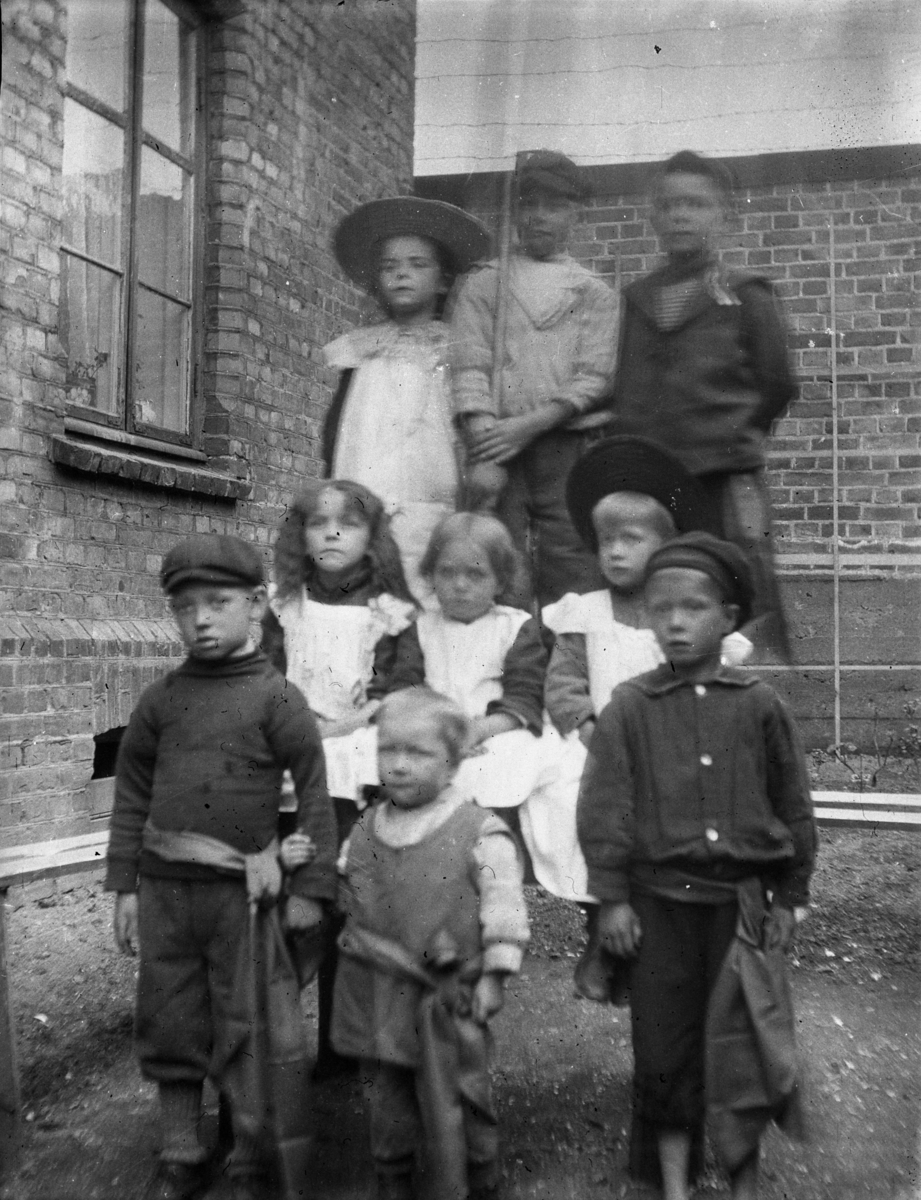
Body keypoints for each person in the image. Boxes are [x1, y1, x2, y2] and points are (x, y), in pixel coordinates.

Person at [577, 532, 817, 1200]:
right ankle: (674, 1186)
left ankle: (743, 1180)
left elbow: (792, 804)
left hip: (740, 909)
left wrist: (789, 897)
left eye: (692, 608)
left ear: (728, 619)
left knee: (743, 1048)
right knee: (663, 1051)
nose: (675, 622)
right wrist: (613, 901)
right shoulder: (630, 705)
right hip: (658, 909)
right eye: (660, 610)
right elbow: (603, 809)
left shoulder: (759, 704)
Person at [105, 535, 336, 1200]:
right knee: (170, 1014)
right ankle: (180, 1149)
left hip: (244, 897)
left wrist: (311, 890)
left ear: (256, 604)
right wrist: (122, 885)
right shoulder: (159, 702)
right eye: (184, 607)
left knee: (247, 1022)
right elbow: (131, 797)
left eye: (217, 602)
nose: (200, 619)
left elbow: (315, 799)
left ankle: (247, 1155)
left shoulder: (277, 699)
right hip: (168, 895)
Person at [532, 435, 751, 1002]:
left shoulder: (674, 612)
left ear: (666, 542)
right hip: (597, 739)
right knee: (572, 801)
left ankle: (654, 942)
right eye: (607, 540)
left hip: (669, 740)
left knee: (672, 804)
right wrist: (586, 725)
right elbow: (563, 682)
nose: (616, 552)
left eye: (632, 539)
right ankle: (599, 924)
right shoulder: (584, 611)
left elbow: (709, 677)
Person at [329, 688, 529, 1200]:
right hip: (379, 992)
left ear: (454, 762)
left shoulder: (479, 831)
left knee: (464, 1094)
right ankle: (392, 1180)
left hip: (449, 996)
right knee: (386, 1100)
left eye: (417, 753)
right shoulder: (366, 825)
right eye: (388, 750)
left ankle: (478, 1179)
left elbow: (503, 905)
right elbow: (348, 889)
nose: (398, 766)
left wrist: (494, 976)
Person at [262, 479, 424, 1079]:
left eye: (348, 524)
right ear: (300, 538)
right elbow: (271, 674)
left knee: (346, 895)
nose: (331, 533)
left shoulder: (387, 612)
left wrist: (350, 721)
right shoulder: (288, 608)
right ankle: (276, 1034)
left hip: (357, 747)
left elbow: (399, 683)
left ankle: (342, 1043)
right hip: (295, 744)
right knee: (300, 891)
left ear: (372, 539)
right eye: (318, 523)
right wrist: (296, 723)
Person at [609, 149, 796, 658]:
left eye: (695, 205)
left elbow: (777, 383)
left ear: (724, 216)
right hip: (656, 484)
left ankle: (757, 703)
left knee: (745, 586)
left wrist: (734, 433)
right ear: (654, 218)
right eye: (668, 206)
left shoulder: (747, 294)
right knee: (665, 596)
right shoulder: (637, 299)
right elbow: (623, 385)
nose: (680, 216)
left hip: (728, 479)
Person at [451, 149, 619, 607]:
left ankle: (566, 666)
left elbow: (595, 376)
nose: (540, 217)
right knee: (496, 552)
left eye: (555, 206)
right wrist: (484, 439)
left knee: (570, 558)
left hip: (563, 443)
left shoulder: (594, 292)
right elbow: (469, 363)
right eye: (530, 204)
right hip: (497, 444)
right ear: (515, 212)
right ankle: (504, 665)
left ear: (576, 214)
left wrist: (530, 425)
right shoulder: (485, 283)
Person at [323, 196, 491, 604]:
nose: (402, 275)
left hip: (430, 487)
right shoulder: (362, 350)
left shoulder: (455, 348)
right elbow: (339, 426)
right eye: (390, 267)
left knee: (424, 583)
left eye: (417, 265)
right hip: (367, 481)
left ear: (444, 279)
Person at [415, 511, 562, 828]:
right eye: (447, 573)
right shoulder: (421, 629)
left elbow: (524, 697)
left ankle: (493, 844)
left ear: (501, 582)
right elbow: (406, 690)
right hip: (429, 728)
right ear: (430, 576)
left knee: (500, 764)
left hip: (497, 728)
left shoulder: (514, 628)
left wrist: (477, 731)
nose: (460, 585)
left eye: (476, 575)